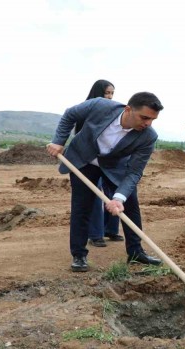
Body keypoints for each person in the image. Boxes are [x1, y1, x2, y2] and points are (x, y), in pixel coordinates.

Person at [47, 92, 164, 272]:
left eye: (152, 119)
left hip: (115, 167)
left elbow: (134, 171)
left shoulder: (148, 136)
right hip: (83, 160)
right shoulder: (100, 106)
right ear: (128, 109)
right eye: (144, 117)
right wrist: (59, 141)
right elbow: (70, 114)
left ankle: (136, 253)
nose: (148, 123)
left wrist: (118, 198)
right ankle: (79, 255)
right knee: (82, 206)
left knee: (130, 204)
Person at [77, 80, 123, 247]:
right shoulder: (86, 109)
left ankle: (111, 230)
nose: (110, 97)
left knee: (113, 195)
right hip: (89, 161)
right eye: (106, 93)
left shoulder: (114, 113)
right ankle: (95, 234)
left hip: (108, 160)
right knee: (96, 196)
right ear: (98, 93)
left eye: (112, 93)